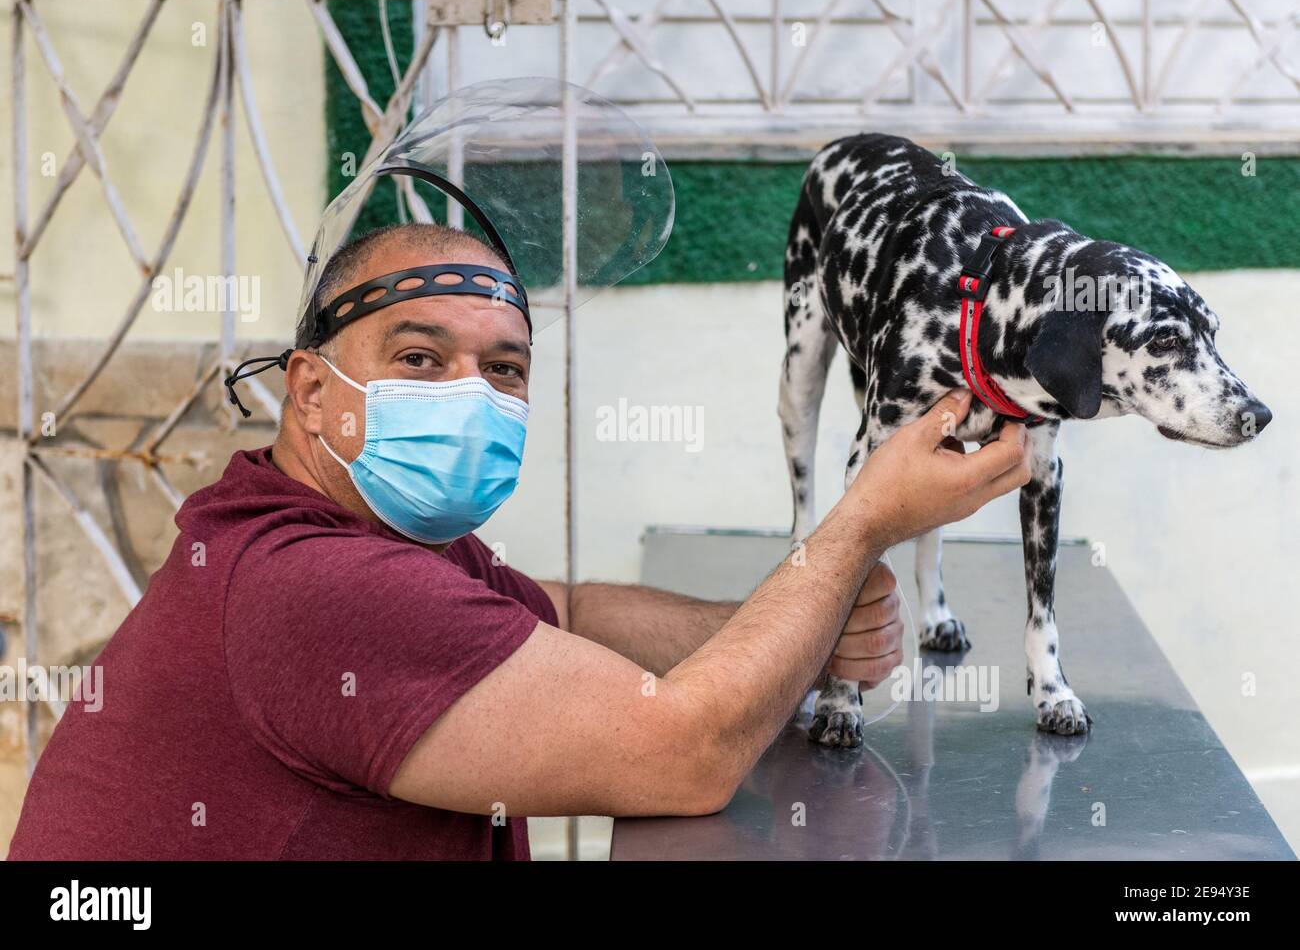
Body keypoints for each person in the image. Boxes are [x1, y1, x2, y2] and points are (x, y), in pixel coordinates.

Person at [7, 222, 1029, 860]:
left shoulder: (356, 528)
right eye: (420, 356)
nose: (470, 394)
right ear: (312, 391)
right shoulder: (313, 586)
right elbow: (687, 753)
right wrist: (859, 522)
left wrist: (781, 637)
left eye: (502, 370)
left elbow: (565, 612)